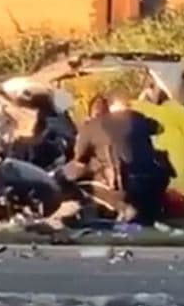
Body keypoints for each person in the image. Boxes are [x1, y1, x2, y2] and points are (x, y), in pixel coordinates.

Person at [63, 91, 172, 224]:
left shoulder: (90, 127)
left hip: (121, 185)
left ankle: (120, 210)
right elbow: (160, 129)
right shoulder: (136, 117)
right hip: (153, 181)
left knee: (75, 180)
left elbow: (79, 160)